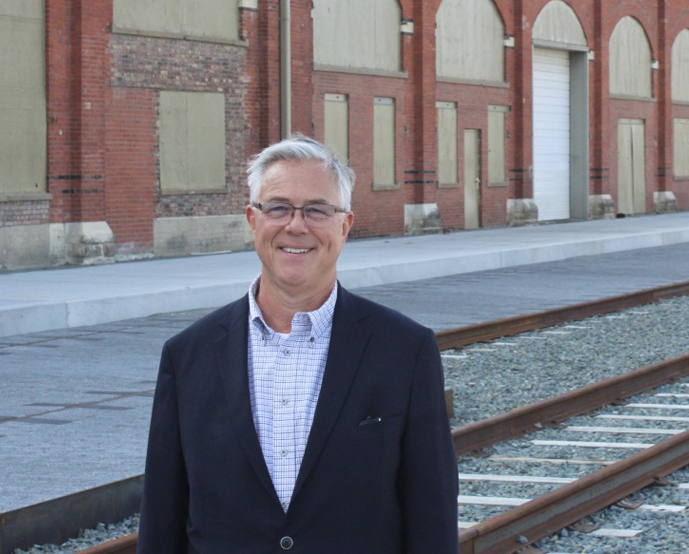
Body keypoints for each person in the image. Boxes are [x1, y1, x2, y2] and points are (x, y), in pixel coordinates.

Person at [137, 134, 459, 553]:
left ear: (344, 226)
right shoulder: (187, 356)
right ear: (253, 220)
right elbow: (162, 518)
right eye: (278, 207)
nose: (296, 225)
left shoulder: (405, 351)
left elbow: (431, 516)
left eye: (316, 210)